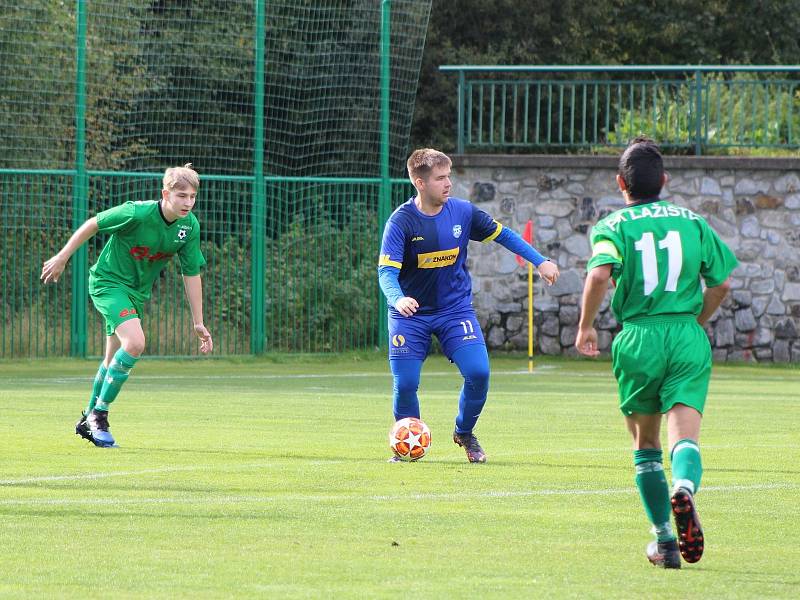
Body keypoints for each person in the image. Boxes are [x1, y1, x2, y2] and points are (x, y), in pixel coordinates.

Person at [575, 137, 738, 568]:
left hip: (639, 339)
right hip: (686, 336)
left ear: (620, 183)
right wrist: (695, 323)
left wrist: (586, 325)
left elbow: (599, 275)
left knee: (646, 446)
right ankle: (684, 485)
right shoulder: (693, 222)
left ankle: (665, 542)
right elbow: (721, 284)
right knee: (684, 437)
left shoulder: (612, 226)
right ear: (664, 181)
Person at [378, 148, 559, 463]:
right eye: (440, 178)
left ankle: (464, 432)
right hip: (410, 315)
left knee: (479, 372)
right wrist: (398, 298)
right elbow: (386, 272)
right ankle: (407, 443)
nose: (448, 183)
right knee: (406, 382)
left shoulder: (463, 212)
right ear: (419, 183)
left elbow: (505, 235)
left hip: (454, 311)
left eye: (449, 176)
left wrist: (539, 261)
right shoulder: (401, 222)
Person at [41, 163, 213, 447]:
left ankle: (87, 421)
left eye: (192, 196)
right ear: (165, 193)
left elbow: (191, 272)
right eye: (181, 195)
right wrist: (62, 257)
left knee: (111, 361)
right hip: (108, 283)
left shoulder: (189, 227)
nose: (188, 202)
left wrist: (198, 321)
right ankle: (99, 414)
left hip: (135, 294)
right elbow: (93, 224)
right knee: (135, 342)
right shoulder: (137, 212)